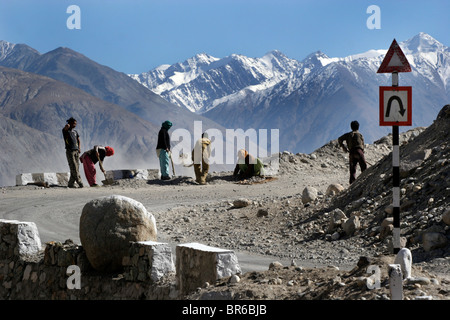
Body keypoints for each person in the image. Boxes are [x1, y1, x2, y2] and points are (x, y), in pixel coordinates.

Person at [338, 120, 367, 184]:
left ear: (351, 127)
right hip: (359, 152)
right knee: (364, 167)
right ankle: (365, 181)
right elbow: (363, 146)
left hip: (351, 153)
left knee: (352, 170)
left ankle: (352, 184)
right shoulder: (360, 135)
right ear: (358, 127)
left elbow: (339, 139)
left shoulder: (348, 135)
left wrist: (343, 147)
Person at [62, 117, 84, 188]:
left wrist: (79, 148)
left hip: (76, 151)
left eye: (75, 123)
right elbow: (65, 128)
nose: (75, 125)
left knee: (76, 168)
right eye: (74, 123)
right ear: (70, 123)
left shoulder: (75, 132)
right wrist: (67, 126)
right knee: (73, 167)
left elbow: (78, 140)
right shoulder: (66, 131)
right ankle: (80, 182)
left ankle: (71, 184)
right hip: (70, 151)